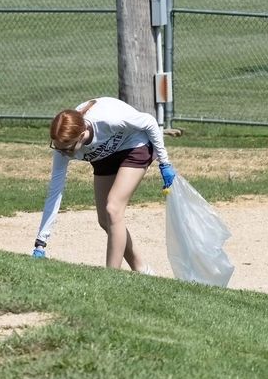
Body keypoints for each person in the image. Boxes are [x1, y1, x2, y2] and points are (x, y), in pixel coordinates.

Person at [34, 97, 177, 273]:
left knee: (113, 208)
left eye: (68, 149)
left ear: (81, 135)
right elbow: (55, 190)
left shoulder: (107, 120)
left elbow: (149, 122)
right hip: (103, 155)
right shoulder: (62, 147)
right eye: (58, 148)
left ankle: (111, 275)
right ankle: (143, 270)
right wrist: (41, 242)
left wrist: (165, 163)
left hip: (134, 145)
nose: (64, 153)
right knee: (105, 220)